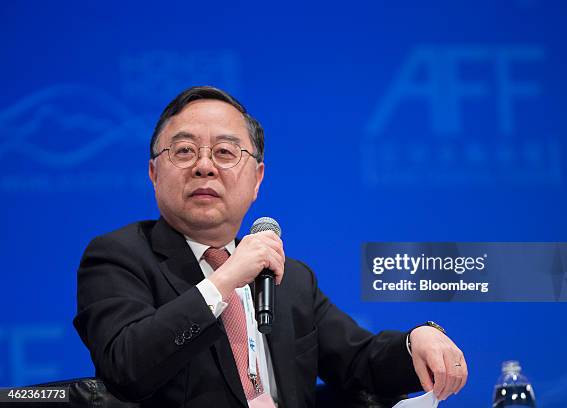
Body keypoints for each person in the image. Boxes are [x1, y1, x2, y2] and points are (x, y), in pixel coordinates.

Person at [73, 86, 467, 408]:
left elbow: (359, 360)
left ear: (257, 178)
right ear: (154, 173)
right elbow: (126, 368)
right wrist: (224, 280)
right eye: (184, 151)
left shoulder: (288, 277)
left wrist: (418, 340)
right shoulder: (119, 257)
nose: (204, 166)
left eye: (225, 152)